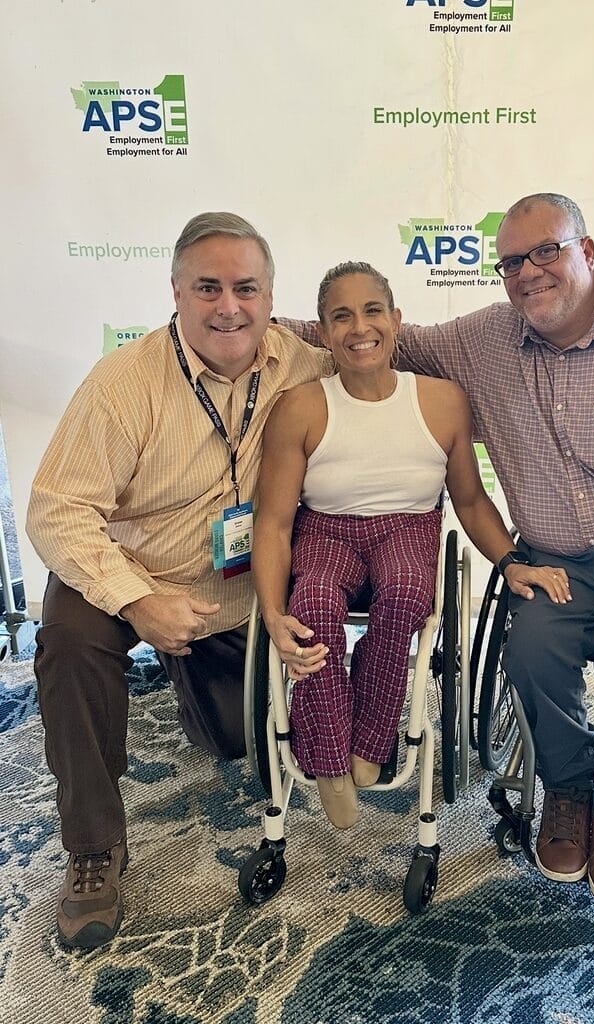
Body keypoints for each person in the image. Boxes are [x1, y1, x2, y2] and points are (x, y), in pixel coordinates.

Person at [279, 194, 594, 906]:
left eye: (546, 251)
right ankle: (568, 789)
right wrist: (247, 321)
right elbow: (376, 334)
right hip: (552, 558)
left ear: (587, 250)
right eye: (511, 261)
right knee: (529, 651)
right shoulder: (485, 338)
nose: (528, 272)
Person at [26, 212, 332, 950]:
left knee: (233, 742)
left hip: (233, 591)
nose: (229, 307)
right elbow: (56, 509)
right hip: (129, 570)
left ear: (270, 296)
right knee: (68, 643)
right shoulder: (122, 383)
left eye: (246, 288)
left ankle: (190, 676)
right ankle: (94, 849)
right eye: (207, 288)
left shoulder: (305, 365)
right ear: (175, 292)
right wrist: (138, 600)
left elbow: (383, 370)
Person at [254, 261, 570, 828]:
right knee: (313, 605)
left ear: (396, 320)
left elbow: (470, 500)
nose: (359, 328)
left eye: (372, 311)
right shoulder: (300, 406)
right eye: (341, 317)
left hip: (409, 527)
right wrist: (274, 615)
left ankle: (371, 742)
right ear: (322, 332)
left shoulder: (443, 400)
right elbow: (274, 523)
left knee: (404, 595)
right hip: (325, 528)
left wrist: (511, 562)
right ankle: (327, 760)